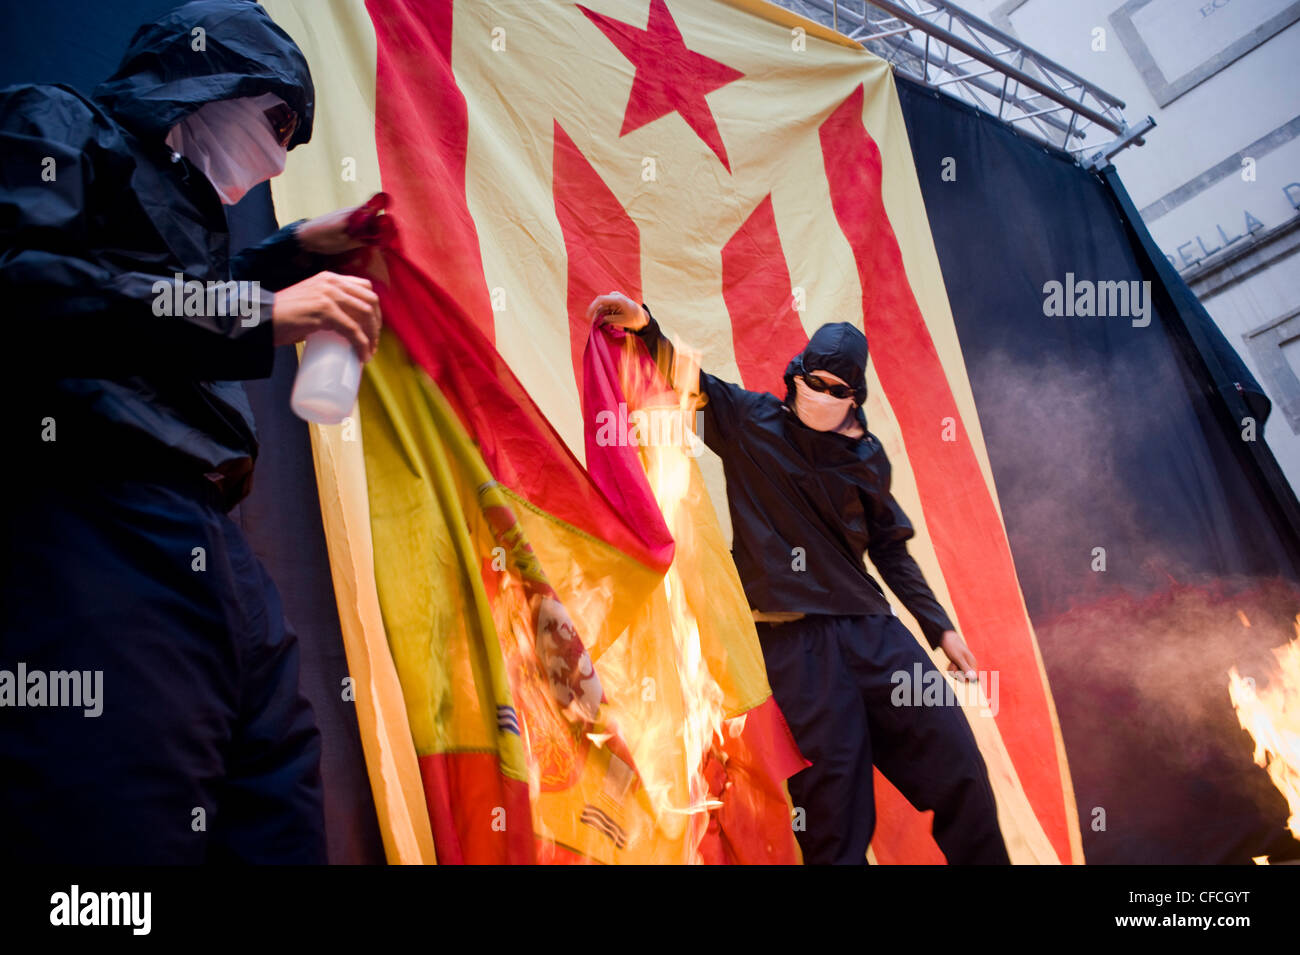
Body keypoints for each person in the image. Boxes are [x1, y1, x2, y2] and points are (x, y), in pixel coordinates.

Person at [0, 0, 385, 863]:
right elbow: (37, 289)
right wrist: (260, 308)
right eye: (276, 118)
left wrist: (292, 250)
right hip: (99, 514)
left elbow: (156, 298)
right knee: (125, 807)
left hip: (215, 542)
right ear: (204, 73)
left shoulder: (186, 207)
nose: (280, 150)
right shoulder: (53, 120)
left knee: (278, 795)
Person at [589, 291, 1010, 865]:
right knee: (832, 816)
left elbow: (890, 549)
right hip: (795, 649)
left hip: (871, 633)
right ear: (797, 376)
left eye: (837, 391)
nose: (821, 395)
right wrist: (644, 324)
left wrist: (940, 630)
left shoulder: (867, 456)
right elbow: (692, 378)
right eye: (813, 380)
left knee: (960, 769)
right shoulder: (751, 422)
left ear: (854, 399)